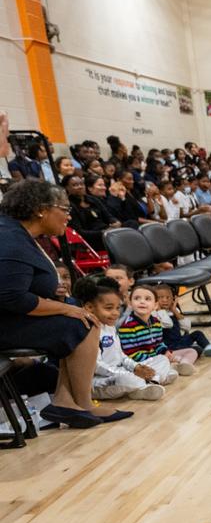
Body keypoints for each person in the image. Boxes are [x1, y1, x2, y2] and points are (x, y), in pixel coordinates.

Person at [0, 180, 131, 428]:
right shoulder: (10, 239)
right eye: (64, 209)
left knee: (81, 314)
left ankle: (70, 402)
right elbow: (11, 297)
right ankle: (78, 404)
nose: (68, 216)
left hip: (12, 315)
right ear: (41, 209)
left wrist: (53, 293)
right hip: (5, 323)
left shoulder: (18, 233)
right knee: (79, 320)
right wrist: (64, 307)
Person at [74, 275, 166, 401]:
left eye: (117, 308)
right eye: (109, 308)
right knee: (126, 379)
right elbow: (96, 366)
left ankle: (143, 386)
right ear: (90, 307)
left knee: (162, 359)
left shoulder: (110, 327)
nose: (116, 313)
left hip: (119, 370)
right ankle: (151, 381)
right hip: (98, 380)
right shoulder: (86, 331)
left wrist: (136, 367)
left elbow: (121, 355)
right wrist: (129, 373)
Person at [118, 284, 196, 377]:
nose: (142, 301)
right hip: (141, 363)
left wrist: (165, 351)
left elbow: (159, 343)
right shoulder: (127, 326)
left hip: (157, 357)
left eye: (147, 299)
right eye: (137, 298)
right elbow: (131, 354)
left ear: (155, 305)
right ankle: (168, 369)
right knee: (162, 361)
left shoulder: (156, 322)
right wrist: (158, 358)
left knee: (192, 351)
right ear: (130, 304)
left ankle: (182, 365)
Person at [154, 283, 211, 358]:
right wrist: (160, 309)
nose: (165, 300)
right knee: (197, 350)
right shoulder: (155, 314)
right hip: (168, 346)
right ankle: (182, 353)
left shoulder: (173, 311)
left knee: (197, 334)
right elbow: (168, 324)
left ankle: (208, 347)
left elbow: (187, 327)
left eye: (168, 297)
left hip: (179, 341)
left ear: (174, 298)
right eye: (160, 297)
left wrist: (175, 311)